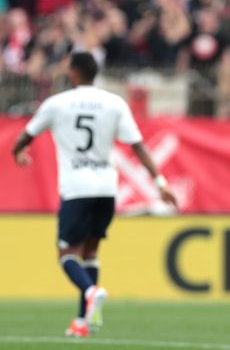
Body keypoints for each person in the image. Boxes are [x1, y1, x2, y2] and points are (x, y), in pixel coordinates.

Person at [11, 52, 178, 338]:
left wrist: (18, 152)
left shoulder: (56, 104)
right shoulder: (114, 103)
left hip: (76, 188)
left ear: (73, 73)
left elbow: (26, 136)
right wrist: (160, 181)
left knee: (67, 254)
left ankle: (90, 290)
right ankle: (82, 322)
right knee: (90, 252)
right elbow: (138, 145)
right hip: (106, 188)